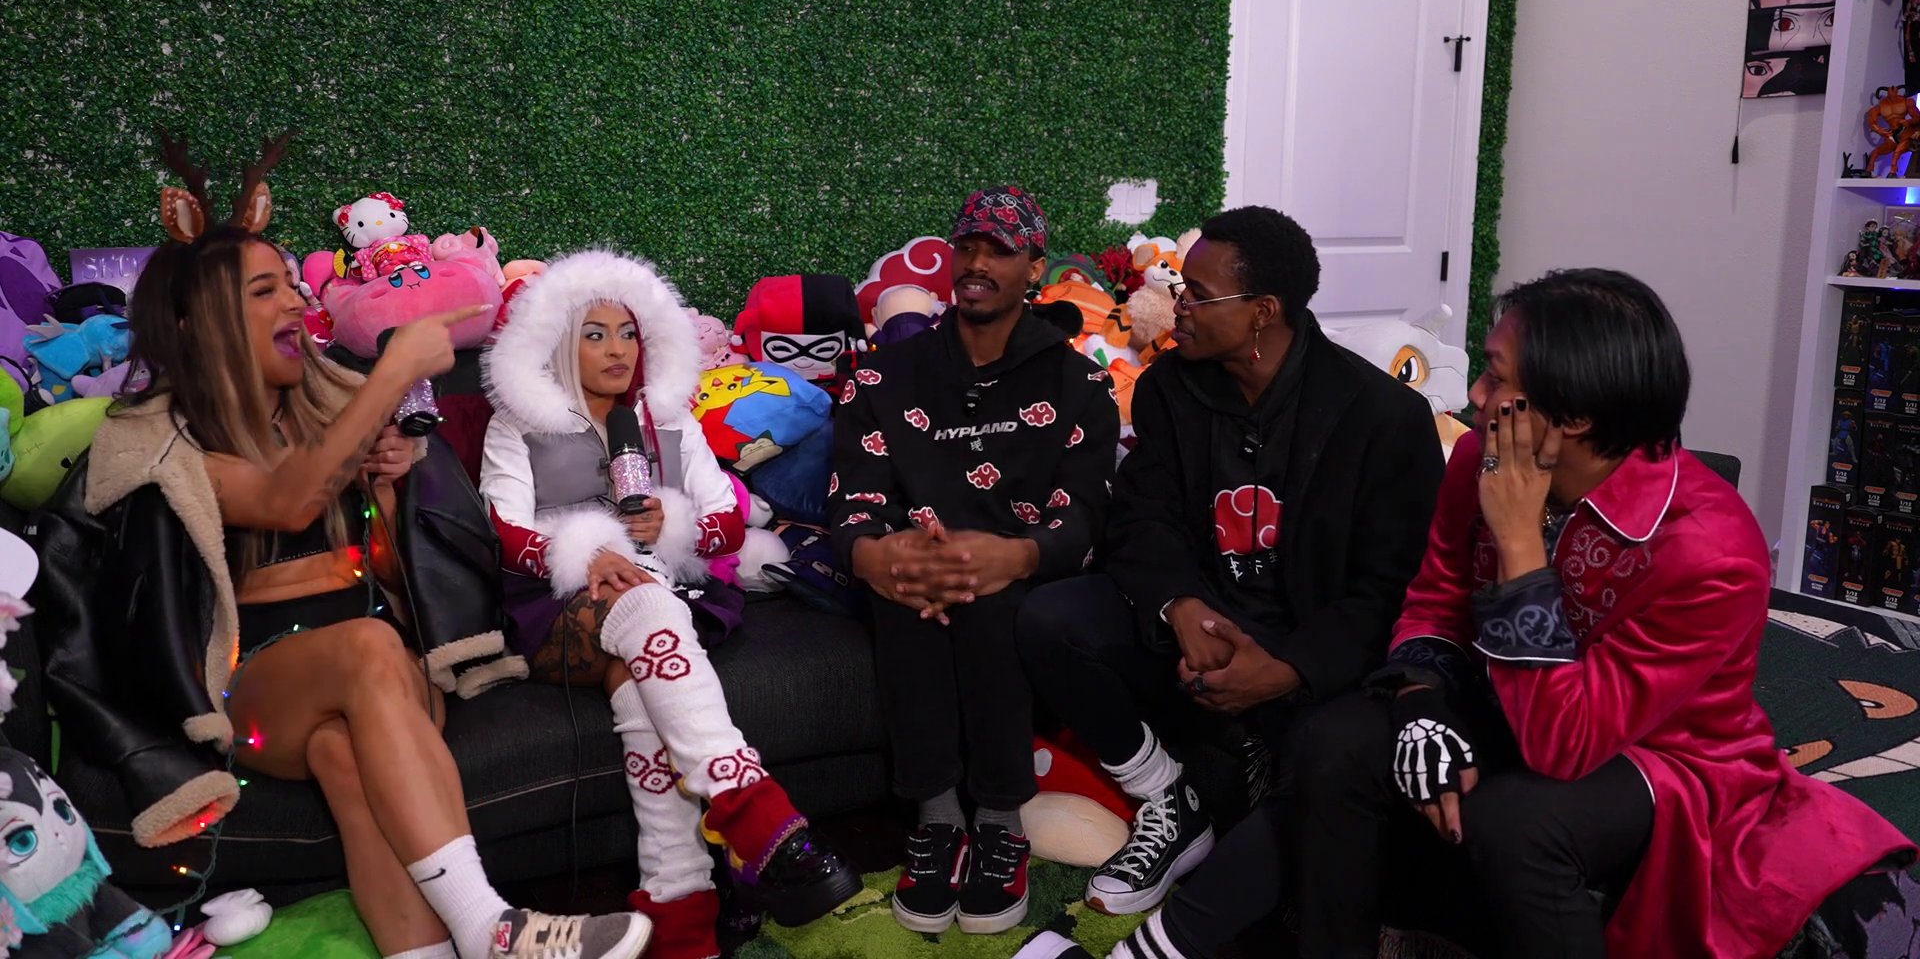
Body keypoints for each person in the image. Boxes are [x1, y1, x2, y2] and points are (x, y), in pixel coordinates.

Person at [31, 137, 651, 959]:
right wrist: (391, 374)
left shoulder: (332, 408)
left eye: (292, 283)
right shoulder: (161, 437)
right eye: (265, 291)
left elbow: (400, 578)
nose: (294, 302)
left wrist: (389, 487)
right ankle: (493, 928)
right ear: (199, 322)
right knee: (365, 648)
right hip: (255, 687)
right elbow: (286, 500)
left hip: (385, 676)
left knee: (348, 748)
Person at [1296, 268, 1917, 958]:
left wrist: (1519, 542)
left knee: (1518, 822)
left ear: (1575, 418)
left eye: (1496, 378)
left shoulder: (1710, 550)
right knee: (1338, 742)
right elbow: (1437, 598)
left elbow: (1564, 745)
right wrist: (1420, 703)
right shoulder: (1480, 454)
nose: (1474, 395)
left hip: (1660, 752)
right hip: (1503, 697)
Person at [1015, 205, 1444, 954]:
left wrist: (1289, 668)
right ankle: (1167, 800)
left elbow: (1394, 591)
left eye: (1198, 295)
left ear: (1263, 312)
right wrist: (1180, 607)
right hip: (1201, 623)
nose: (1176, 305)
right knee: (1049, 620)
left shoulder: (1384, 419)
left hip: (1309, 648)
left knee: (1327, 762)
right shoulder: (1168, 389)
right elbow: (1141, 519)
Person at [478, 251, 860, 958]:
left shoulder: (667, 419)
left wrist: (672, 525)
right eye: (595, 334)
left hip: (661, 598)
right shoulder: (517, 424)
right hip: (560, 607)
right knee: (650, 608)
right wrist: (587, 551)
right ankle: (751, 807)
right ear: (556, 340)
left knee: (641, 690)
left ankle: (679, 914)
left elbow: (729, 522)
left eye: (628, 333)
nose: (617, 350)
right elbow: (502, 531)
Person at [829, 186, 1120, 935]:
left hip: (1021, 571)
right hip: (915, 570)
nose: (977, 263)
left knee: (989, 598)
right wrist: (876, 556)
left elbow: (1084, 513)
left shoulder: (1078, 381)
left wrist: (1019, 555)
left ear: (1035, 266)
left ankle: (999, 822)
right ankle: (937, 822)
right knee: (908, 592)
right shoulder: (883, 378)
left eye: (999, 250)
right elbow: (853, 501)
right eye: (967, 247)